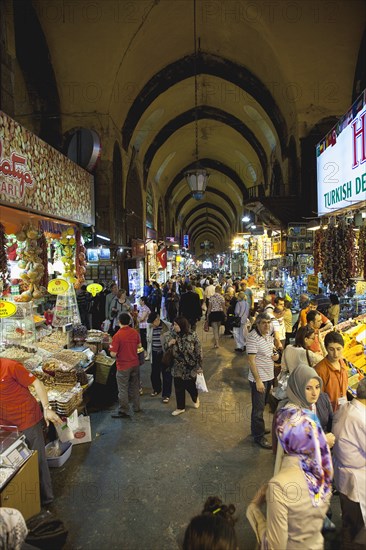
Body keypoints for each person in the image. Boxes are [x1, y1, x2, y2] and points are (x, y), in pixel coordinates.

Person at [247, 364, 334, 549]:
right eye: (308, 388)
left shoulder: (312, 408)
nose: (314, 393)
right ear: (297, 387)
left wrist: (255, 512)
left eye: (317, 387)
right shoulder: (288, 414)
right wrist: (323, 441)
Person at [0, 358, 63, 506]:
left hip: (27, 419)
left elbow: (37, 383)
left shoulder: (10, 366)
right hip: (6, 425)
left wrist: (47, 408)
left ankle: (47, 500)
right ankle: (26, 501)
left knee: (37, 460)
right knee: (15, 464)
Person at [332, 378, 366, 545]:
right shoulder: (360, 418)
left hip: (343, 475)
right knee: (356, 528)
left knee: (349, 520)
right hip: (355, 481)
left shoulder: (347, 407)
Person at [246, 313, 279, 449]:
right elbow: (251, 361)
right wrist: (258, 380)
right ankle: (259, 437)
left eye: (268, 322)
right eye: (264, 323)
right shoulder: (252, 337)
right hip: (258, 379)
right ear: (258, 324)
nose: (267, 325)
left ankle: (257, 428)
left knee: (264, 404)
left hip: (269, 376)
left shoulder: (267, 336)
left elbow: (272, 354)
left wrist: (275, 356)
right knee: (258, 409)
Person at [166, 316, 202, 416]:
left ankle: (195, 397)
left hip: (190, 366)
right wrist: (169, 343)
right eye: (174, 324)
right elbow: (165, 346)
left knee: (190, 385)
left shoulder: (192, 334)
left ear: (182, 325)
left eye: (176, 325)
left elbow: (198, 350)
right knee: (178, 387)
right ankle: (180, 407)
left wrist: (199, 366)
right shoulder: (172, 334)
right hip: (177, 366)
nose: (174, 326)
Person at [109, 312, 141, 418]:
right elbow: (139, 347)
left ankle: (124, 410)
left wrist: (111, 351)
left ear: (119, 322)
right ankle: (136, 407)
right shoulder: (135, 333)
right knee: (135, 387)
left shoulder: (117, 336)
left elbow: (113, 354)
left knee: (123, 389)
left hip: (123, 366)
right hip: (135, 364)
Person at [315, 331, 348, 412]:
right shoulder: (320, 370)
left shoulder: (342, 363)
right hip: (329, 413)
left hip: (343, 409)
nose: (335, 354)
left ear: (343, 348)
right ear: (326, 348)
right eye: (331, 349)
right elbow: (318, 398)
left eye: (338, 349)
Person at [146, 311, 172, 402]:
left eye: (153, 322)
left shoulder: (167, 326)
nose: (152, 324)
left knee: (166, 374)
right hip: (154, 352)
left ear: (157, 319)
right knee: (154, 373)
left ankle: (166, 394)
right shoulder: (150, 327)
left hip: (164, 353)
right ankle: (157, 389)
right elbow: (148, 340)